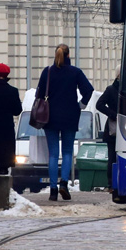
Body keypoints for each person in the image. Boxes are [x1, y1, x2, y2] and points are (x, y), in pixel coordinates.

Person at [35, 43, 94, 202]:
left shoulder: (47, 72)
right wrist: (80, 105)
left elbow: (39, 94)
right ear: (68, 56)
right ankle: (64, 184)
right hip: (69, 116)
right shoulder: (75, 72)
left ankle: (53, 190)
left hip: (50, 117)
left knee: (53, 154)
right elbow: (88, 90)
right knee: (68, 152)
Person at [95, 68, 121, 188]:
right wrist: (113, 114)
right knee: (112, 156)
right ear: (119, 75)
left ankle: (118, 181)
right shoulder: (111, 89)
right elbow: (99, 104)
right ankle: (111, 182)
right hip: (114, 128)